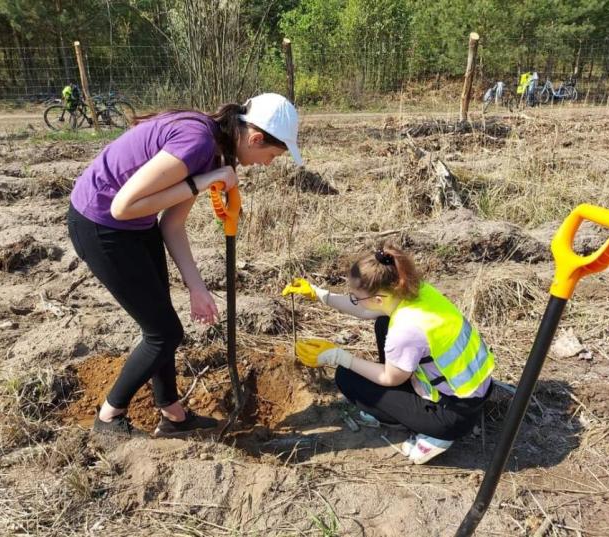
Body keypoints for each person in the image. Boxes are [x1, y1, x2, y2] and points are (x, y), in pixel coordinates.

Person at [68, 93, 302, 439]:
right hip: (101, 224)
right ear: (255, 139)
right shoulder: (196, 143)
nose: (266, 164)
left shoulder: (216, 150)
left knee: (160, 326)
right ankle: (107, 418)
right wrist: (202, 182)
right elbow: (122, 206)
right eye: (270, 156)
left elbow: (171, 225)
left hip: (136, 225)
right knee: (164, 333)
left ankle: (173, 416)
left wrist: (197, 287)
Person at [282, 242, 494, 464]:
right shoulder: (416, 291)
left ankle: (437, 435)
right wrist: (320, 295)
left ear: (379, 299)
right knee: (382, 322)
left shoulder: (404, 328)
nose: (354, 300)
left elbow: (389, 378)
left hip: (452, 414)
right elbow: (365, 310)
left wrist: (338, 357)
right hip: (474, 389)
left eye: (356, 297)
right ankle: (416, 406)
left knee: (347, 378)